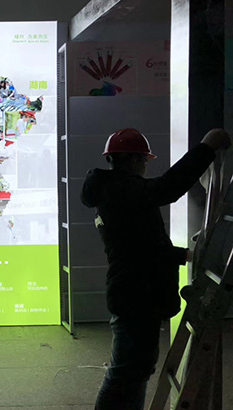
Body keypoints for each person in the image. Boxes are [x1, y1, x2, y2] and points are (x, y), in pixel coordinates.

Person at [80, 127, 231, 410]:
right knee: (125, 374)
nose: (145, 167)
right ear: (134, 160)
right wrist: (207, 148)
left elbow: (142, 246)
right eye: (144, 160)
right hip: (135, 298)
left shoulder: (114, 193)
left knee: (135, 372)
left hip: (136, 296)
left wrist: (186, 255)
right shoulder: (122, 190)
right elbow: (167, 188)